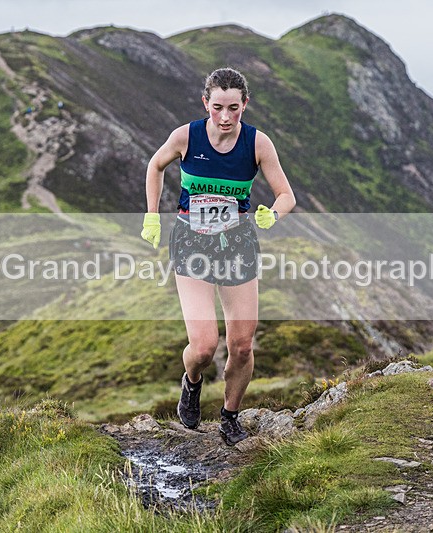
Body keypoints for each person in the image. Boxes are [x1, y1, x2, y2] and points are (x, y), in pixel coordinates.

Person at [140, 67, 295, 445]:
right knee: (205, 346)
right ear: (205, 103)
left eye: (234, 109)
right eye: (218, 107)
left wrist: (272, 214)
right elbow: (155, 166)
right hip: (192, 242)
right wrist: (151, 214)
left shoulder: (258, 144)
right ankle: (191, 383)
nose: (225, 118)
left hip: (237, 243)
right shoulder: (186, 136)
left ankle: (229, 415)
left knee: (241, 345)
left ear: (245, 105)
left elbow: (287, 195)